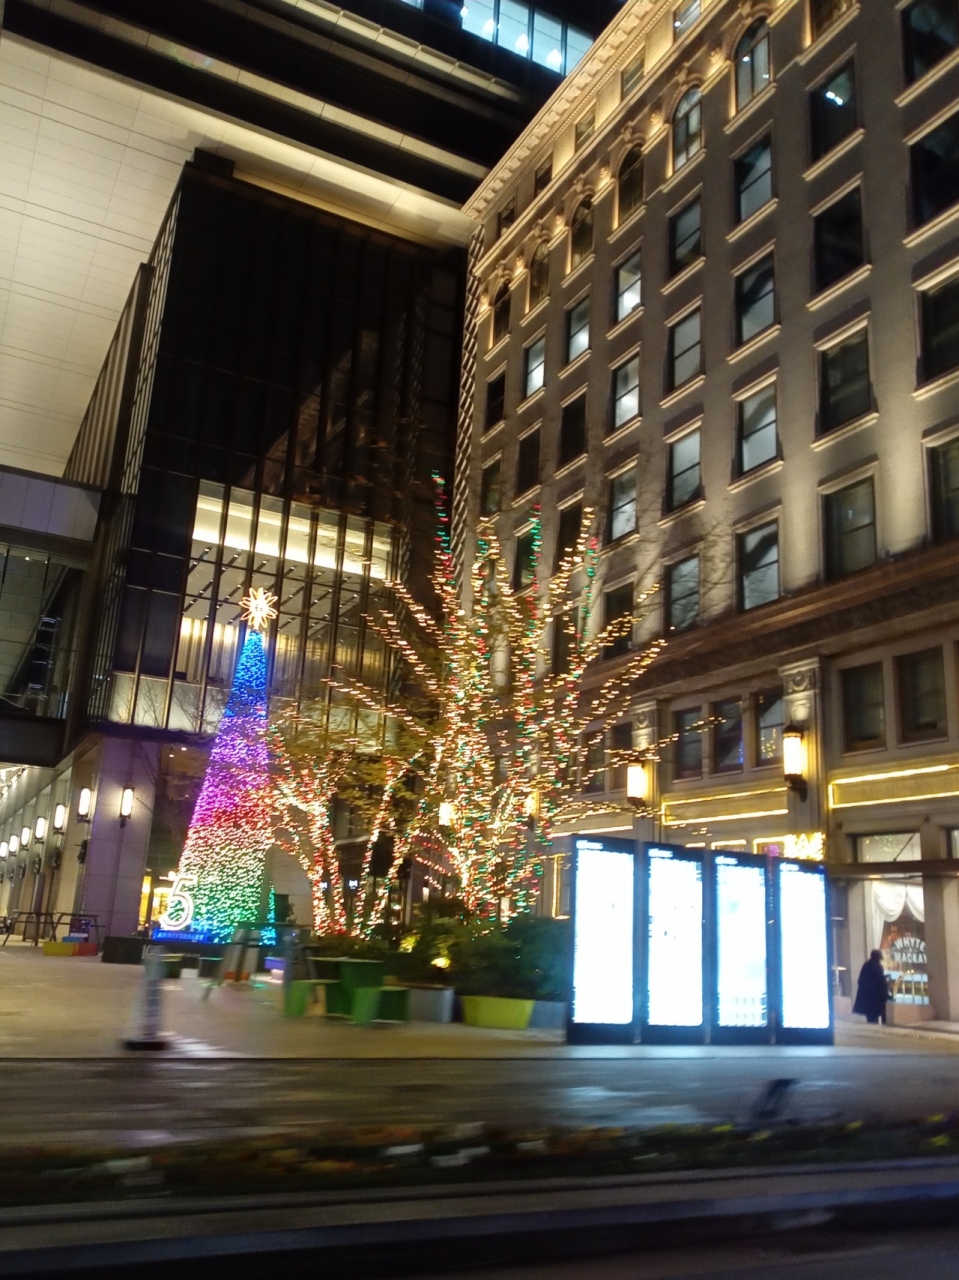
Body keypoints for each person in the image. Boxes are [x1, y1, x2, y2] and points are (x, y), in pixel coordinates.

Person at [853, 949, 889, 1024]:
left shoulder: (866, 965)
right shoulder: (877, 966)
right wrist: (885, 981)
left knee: (871, 1016)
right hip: (875, 996)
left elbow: (861, 980)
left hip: (867, 996)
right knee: (875, 1015)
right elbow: (879, 981)